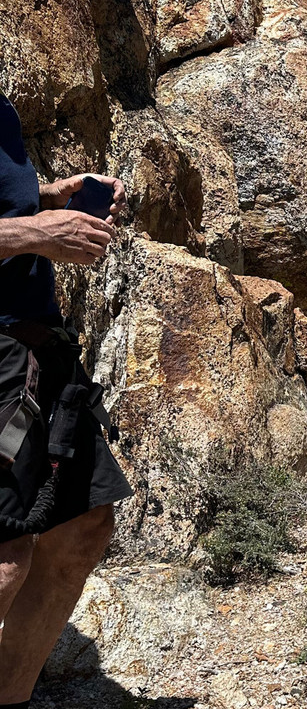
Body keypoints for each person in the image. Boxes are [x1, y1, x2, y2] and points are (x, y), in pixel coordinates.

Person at [0, 90, 133, 708]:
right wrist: (35, 231)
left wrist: (50, 196)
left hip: (36, 347)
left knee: (82, 528)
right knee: (4, 559)